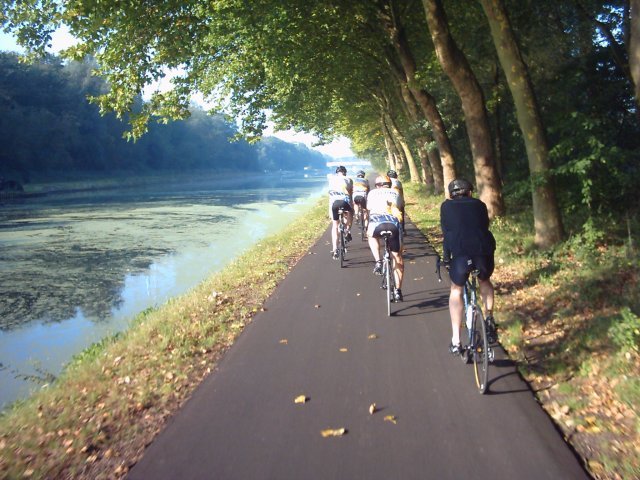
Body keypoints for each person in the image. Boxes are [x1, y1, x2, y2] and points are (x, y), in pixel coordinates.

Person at [440, 179, 498, 354]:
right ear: (470, 192)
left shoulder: (446, 207)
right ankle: (488, 317)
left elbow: (447, 231)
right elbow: (484, 226)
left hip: (460, 254)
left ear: (451, 194)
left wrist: (446, 257)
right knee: (485, 281)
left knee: (456, 290)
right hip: (483, 252)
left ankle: (456, 340)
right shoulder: (479, 205)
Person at [367, 175, 404, 301]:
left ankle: (378, 261)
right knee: (397, 257)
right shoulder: (395, 192)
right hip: (393, 225)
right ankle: (398, 291)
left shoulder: (372, 193)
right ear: (389, 184)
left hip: (377, 224)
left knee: (371, 236)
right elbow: (400, 207)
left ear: (377, 185)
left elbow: (369, 208)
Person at [328, 165, 353, 259]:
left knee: (335, 225)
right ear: (345, 172)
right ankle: (347, 230)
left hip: (333, 204)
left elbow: (330, 195)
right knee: (351, 212)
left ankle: (335, 249)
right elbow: (350, 194)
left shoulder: (331, 180)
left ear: (336, 173)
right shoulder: (348, 179)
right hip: (344, 202)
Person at [387, 170, 405, 234]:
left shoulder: (386, 182)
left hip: (389, 200)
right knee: (401, 212)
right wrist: (403, 201)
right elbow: (401, 192)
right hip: (398, 199)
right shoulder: (398, 182)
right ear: (396, 176)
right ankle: (402, 228)